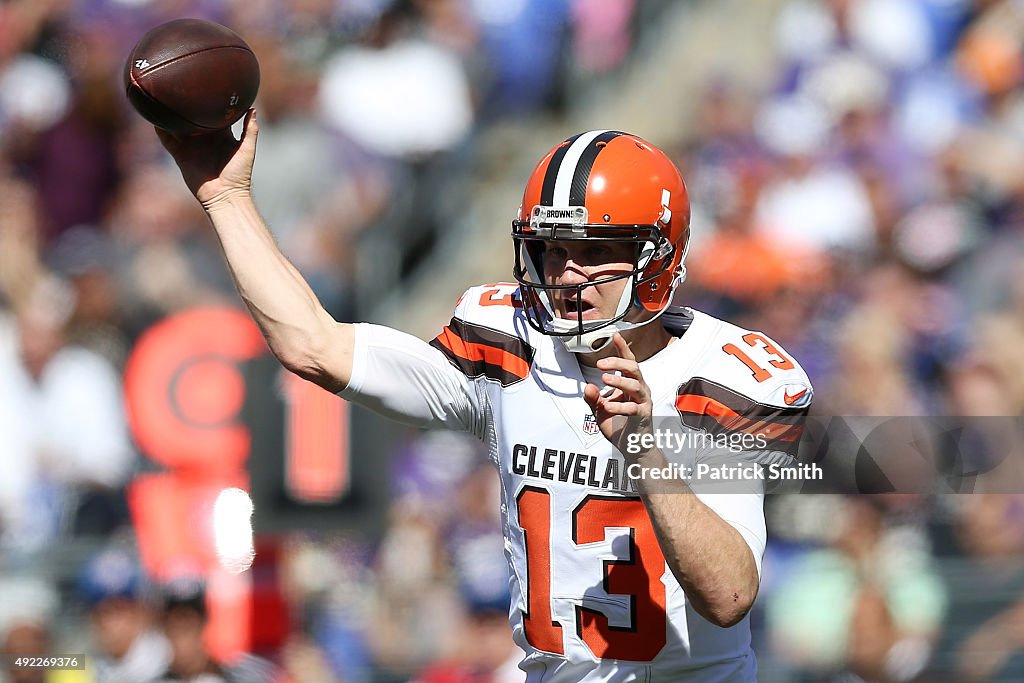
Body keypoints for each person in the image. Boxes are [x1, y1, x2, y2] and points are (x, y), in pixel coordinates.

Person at [156, 116, 813, 680]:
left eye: (594, 251)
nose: (566, 275)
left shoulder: (727, 378)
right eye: (553, 249)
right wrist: (225, 196)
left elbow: (728, 592)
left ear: (658, 256)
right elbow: (314, 345)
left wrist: (643, 447)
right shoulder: (507, 343)